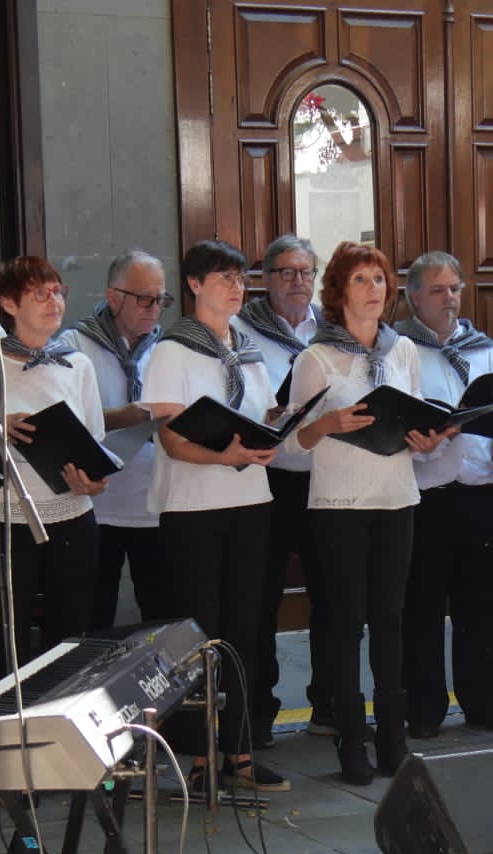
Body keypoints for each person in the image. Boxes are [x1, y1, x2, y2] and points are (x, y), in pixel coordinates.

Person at [289, 241, 438, 783]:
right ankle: (352, 742)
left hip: (396, 496)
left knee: (391, 620)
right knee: (347, 622)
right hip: (339, 504)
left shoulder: (403, 352)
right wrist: (327, 425)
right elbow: (289, 444)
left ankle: (393, 741)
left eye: (379, 280)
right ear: (337, 291)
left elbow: (414, 416)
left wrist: (424, 440)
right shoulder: (316, 357)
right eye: (360, 280)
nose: (373, 290)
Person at [147, 239, 288, 791]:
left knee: (246, 630)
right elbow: (170, 438)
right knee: (198, 635)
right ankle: (200, 755)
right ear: (195, 285)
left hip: (251, 500)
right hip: (193, 508)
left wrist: (277, 420)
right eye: (224, 277)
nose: (237, 287)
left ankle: (240, 751)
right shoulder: (172, 350)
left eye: (240, 277)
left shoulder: (247, 348)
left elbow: (253, 417)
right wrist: (224, 455)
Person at [0, 256, 109, 675]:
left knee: (70, 633)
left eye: (57, 292)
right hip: (3, 519)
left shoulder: (76, 363)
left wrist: (93, 480)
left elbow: (95, 441)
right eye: (39, 293)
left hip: (72, 514)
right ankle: (2, 728)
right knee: (2, 635)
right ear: (9, 304)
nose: (54, 302)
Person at [396, 251, 493, 736]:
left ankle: (485, 703)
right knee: (420, 607)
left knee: (483, 605)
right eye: (439, 290)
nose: (450, 299)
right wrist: (421, 439)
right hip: (425, 495)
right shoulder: (399, 348)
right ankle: (423, 708)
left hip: (478, 490)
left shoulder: (484, 349)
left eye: (456, 289)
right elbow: (393, 415)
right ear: (415, 297)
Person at [238, 234, 330, 743]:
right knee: (260, 600)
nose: (297, 282)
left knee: (332, 597)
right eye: (286, 273)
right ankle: (259, 715)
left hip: (324, 479)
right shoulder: (238, 332)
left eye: (305, 272)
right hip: (265, 478)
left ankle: (330, 706)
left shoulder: (331, 330)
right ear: (266, 279)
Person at [72, 249, 175, 627]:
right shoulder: (75, 346)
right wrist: (124, 417)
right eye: (144, 298)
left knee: (161, 614)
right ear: (114, 296)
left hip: (154, 502)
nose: (154, 308)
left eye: (161, 299)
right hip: (96, 506)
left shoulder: (169, 349)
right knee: (93, 614)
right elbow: (65, 421)